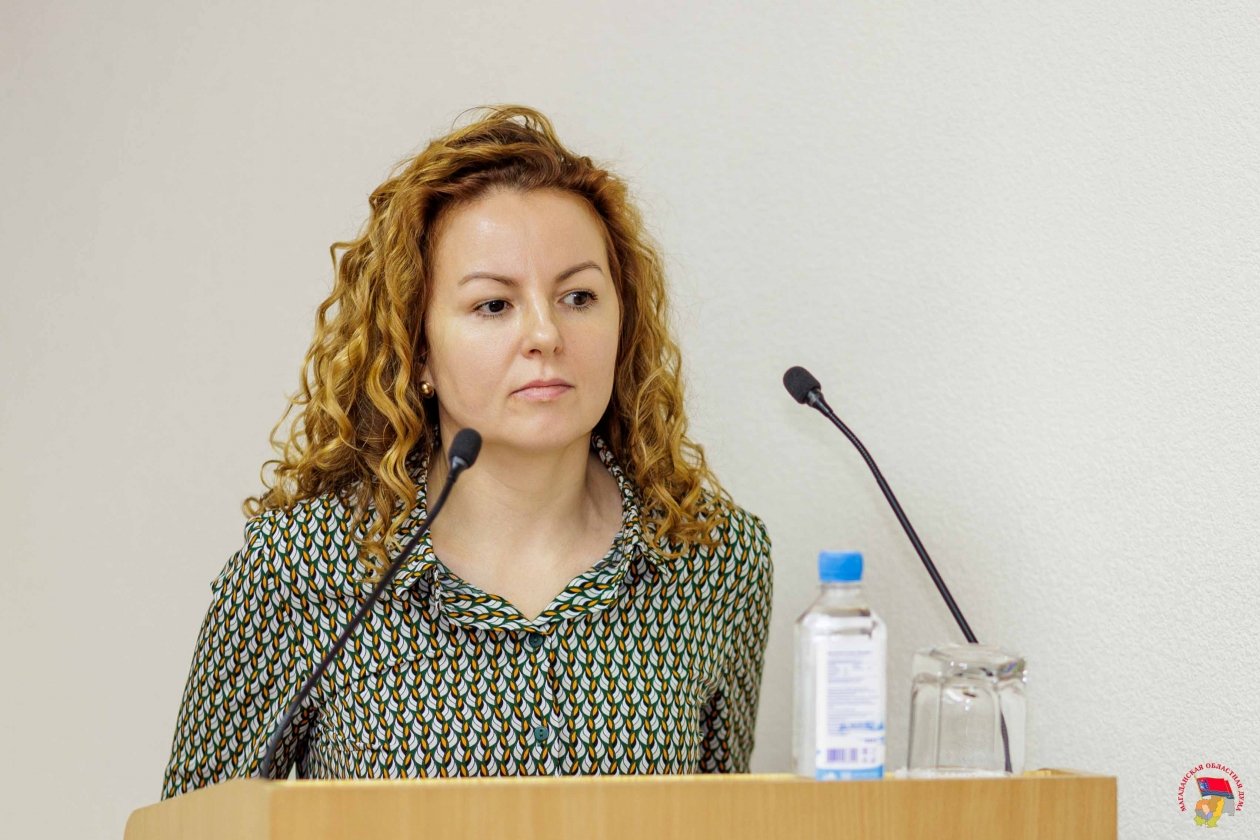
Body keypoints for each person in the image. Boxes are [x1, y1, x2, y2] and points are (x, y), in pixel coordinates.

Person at [161, 106, 773, 797]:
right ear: (418, 349)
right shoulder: (300, 569)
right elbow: (194, 828)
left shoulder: (714, 560)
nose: (545, 335)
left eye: (578, 297)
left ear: (622, 323)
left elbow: (723, 820)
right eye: (494, 305)